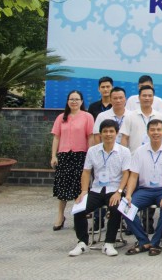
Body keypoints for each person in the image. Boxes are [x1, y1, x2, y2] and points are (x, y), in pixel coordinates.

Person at [68, 119, 131, 257]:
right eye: (105, 131)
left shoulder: (124, 151)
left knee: (116, 208)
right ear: (100, 133)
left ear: (117, 133)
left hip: (114, 189)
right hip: (96, 189)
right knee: (79, 208)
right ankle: (82, 242)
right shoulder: (92, 150)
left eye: (111, 131)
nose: (108, 134)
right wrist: (84, 191)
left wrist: (119, 192)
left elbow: (126, 173)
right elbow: (86, 172)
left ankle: (109, 243)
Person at [122, 119, 162, 255]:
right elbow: (133, 176)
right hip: (144, 190)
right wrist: (128, 195)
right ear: (148, 132)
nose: (155, 133)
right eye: (152, 130)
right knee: (125, 208)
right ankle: (143, 241)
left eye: (159, 130)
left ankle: (155, 242)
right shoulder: (139, 151)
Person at [51, 90, 94, 230]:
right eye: (71, 99)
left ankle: (79, 217)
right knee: (62, 187)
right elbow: (56, 137)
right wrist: (53, 156)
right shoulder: (61, 117)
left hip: (81, 156)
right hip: (64, 156)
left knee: (79, 187)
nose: (74, 102)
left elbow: (90, 137)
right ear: (67, 101)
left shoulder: (87, 117)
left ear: (82, 101)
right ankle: (60, 215)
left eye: (77, 99)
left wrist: (90, 156)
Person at [120, 84, 162, 154]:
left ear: (153, 98)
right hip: (134, 156)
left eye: (150, 96)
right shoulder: (130, 116)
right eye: (144, 95)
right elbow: (124, 138)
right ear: (139, 97)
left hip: (154, 156)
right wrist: (124, 155)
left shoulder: (159, 116)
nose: (147, 98)